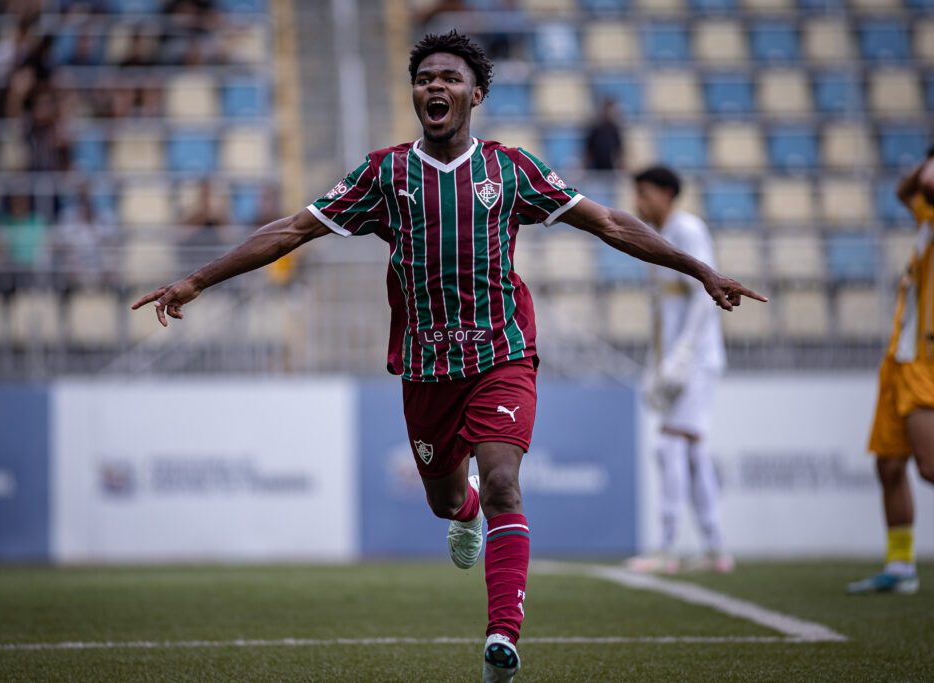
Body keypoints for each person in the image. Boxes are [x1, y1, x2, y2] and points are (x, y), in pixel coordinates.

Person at [133, 31, 764, 682]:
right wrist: (197, 279)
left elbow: (607, 222)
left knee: (502, 483)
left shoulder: (511, 169)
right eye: (425, 77)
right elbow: (294, 229)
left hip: (502, 353)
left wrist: (698, 270)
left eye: (450, 78)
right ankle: (458, 510)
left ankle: (502, 638)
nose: (435, 86)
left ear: (476, 94)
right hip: (427, 367)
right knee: (448, 500)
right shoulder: (384, 174)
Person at [623, 165, 733, 575]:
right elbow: (662, 313)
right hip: (676, 361)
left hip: (697, 360)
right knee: (691, 451)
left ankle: (666, 548)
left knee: (669, 445)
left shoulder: (687, 230)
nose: (638, 203)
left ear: (667, 194)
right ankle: (716, 548)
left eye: (645, 194)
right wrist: (657, 364)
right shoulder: (659, 238)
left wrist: (683, 357)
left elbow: (706, 297)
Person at [848, 147, 934, 595]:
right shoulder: (926, 220)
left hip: (927, 362)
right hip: (900, 359)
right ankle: (901, 567)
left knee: (928, 467)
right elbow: (908, 190)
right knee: (889, 466)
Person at [583, 98, 623, 172]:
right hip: (596, 168)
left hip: (611, 169)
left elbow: (619, 150)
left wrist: (620, 164)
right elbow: (589, 151)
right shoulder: (595, 130)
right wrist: (585, 166)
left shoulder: (615, 130)